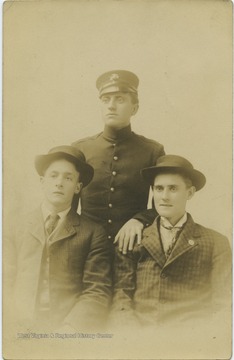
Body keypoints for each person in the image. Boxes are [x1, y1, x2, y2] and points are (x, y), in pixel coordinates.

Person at [111, 155, 232, 327]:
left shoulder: (215, 242)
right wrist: (132, 336)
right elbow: (121, 297)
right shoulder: (134, 239)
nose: (164, 196)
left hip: (191, 339)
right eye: (159, 189)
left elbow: (223, 304)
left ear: (189, 193)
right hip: (141, 336)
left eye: (173, 189)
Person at [5, 145, 112, 332]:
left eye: (68, 177)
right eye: (53, 176)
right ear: (42, 181)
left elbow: (97, 291)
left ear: (78, 187)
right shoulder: (15, 226)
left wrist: (69, 328)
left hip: (66, 329)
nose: (59, 183)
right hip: (17, 327)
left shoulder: (93, 232)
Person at [72, 70, 165, 253]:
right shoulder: (80, 149)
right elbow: (69, 206)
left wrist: (140, 220)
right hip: (86, 247)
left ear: (135, 108)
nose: (111, 106)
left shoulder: (152, 150)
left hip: (132, 247)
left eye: (120, 99)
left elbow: (161, 204)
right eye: (106, 100)